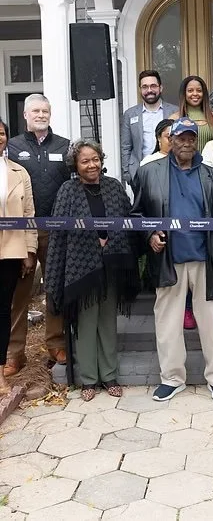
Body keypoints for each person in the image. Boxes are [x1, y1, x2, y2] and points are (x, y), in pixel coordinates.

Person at [133, 117, 213, 403]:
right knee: (167, 321)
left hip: (206, 259)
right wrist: (150, 234)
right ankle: (172, 378)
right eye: (180, 137)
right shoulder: (148, 173)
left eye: (191, 137)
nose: (186, 142)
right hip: (168, 258)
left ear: (196, 141)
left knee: (212, 321)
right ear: (170, 140)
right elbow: (136, 215)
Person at [45, 139, 140, 402]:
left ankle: (109, 376)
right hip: (81, 268)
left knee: (107, 323)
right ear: (75, 165)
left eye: (95, 159)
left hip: (110, 265)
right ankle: (89, 378)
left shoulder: (113, 187)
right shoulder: (67, 190)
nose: (92, 165)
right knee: (85, 325)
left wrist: (111, 239)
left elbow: (127, 218)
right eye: (85, 161)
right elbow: (59, 234)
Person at [6, 93, 70, 377]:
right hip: (23, 230)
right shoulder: (13, 146)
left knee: (55, 289)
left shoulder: (65, 146)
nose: (41, 115)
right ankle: (14, 352)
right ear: (26, 115)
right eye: (36, 111)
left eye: (45, 110)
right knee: (18, 293)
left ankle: (56, 344)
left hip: (57, 229)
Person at [0, 119, 37, 395]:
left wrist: (29, 251)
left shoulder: (19, 172)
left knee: (3, 312)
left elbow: (29, 215)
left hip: (10, 253)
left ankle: (0, 373)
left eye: (1, 133)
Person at [121, 70, 178, 186]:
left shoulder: (175, 112)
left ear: (160, 88)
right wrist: (127, 173)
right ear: (140, 89)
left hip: (169, 170)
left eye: (153, 86)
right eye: (145, 87)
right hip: (139, 172)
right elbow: (126, 146)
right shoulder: (130, 114)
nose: (149, 90)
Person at [171, 76, 213, 153]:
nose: (195, 94)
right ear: (184, 93)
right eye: (190, 90)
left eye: (199, 90)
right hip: (185, 164)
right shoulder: (175, 119)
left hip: (212, 164)